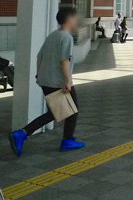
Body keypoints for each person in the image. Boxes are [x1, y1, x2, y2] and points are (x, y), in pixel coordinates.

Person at [9, 8, 85, 156]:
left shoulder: (52, 35)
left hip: (46, 81)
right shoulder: (66, 37)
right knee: (72, 110)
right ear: (69, 19)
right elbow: (64, 61)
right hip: (59, 82)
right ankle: (66, 141)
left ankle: (22, 134)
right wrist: (68, 81)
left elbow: (39, 57)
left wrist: (39, 75)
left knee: (55, 112)